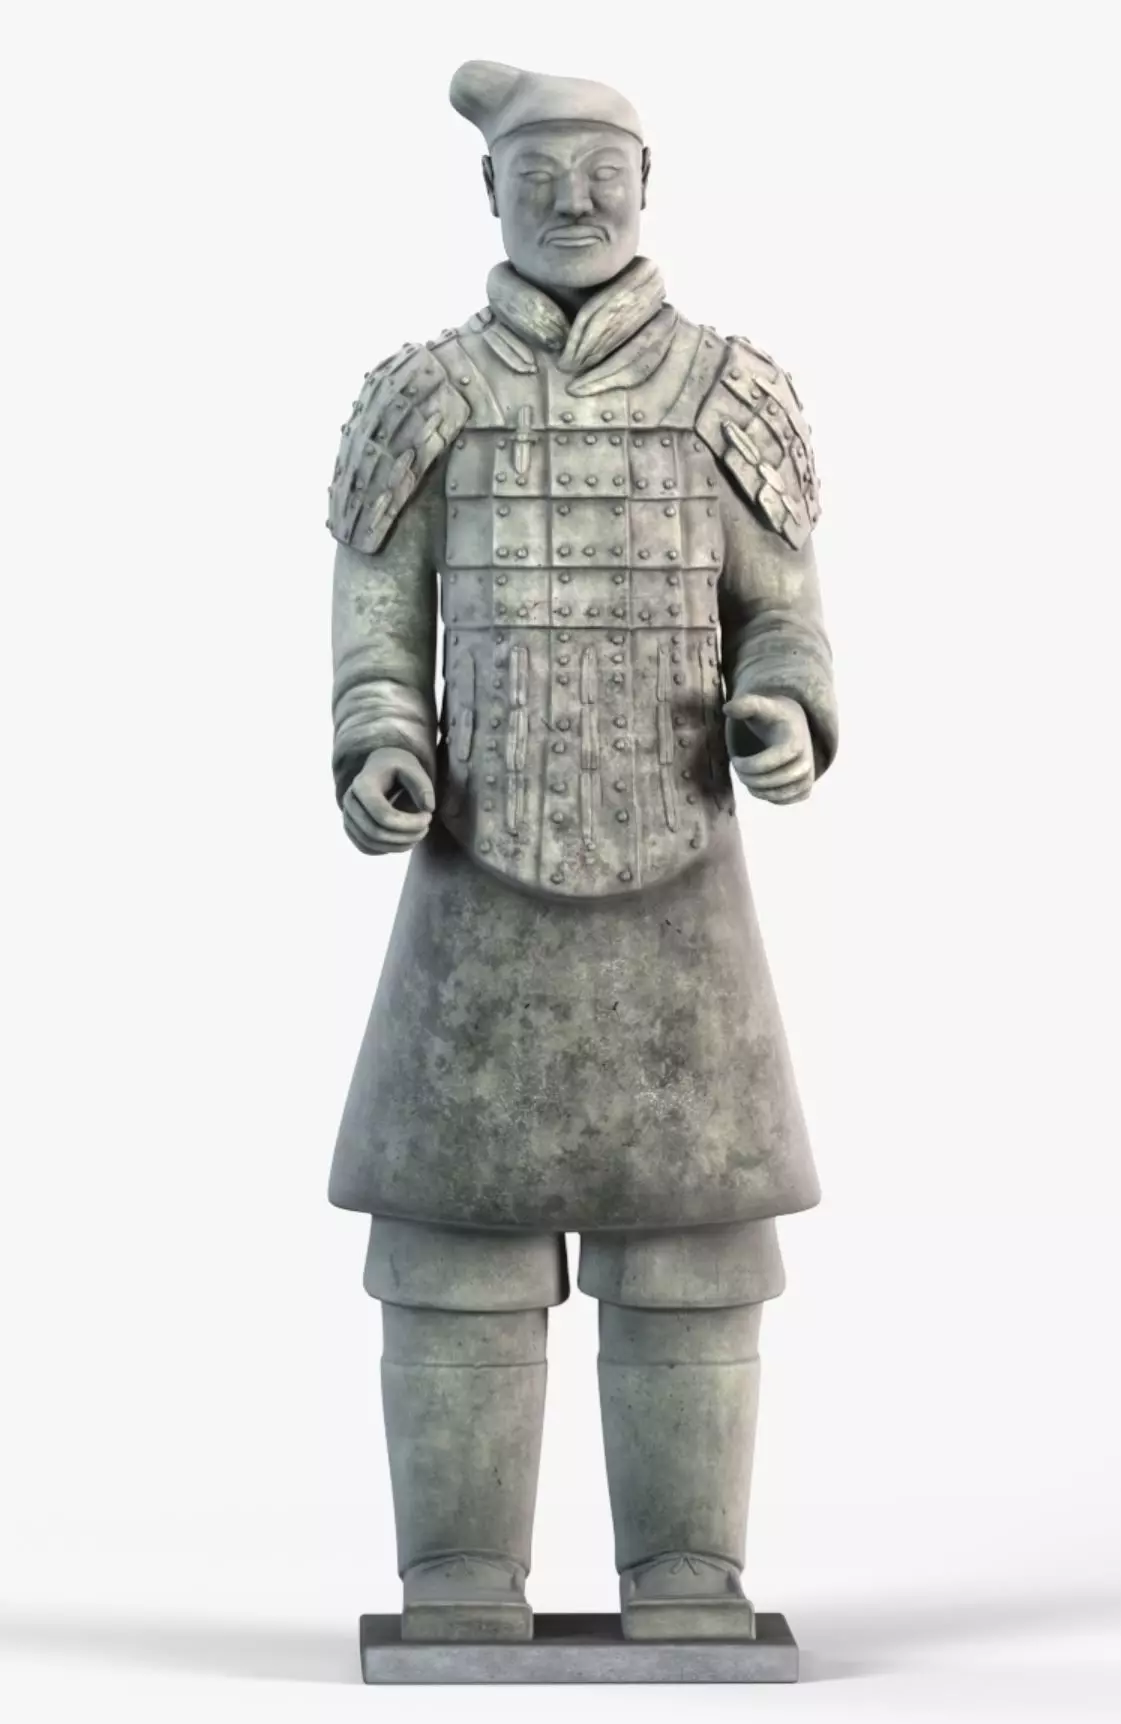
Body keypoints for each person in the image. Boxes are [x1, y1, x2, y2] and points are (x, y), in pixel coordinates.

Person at [325, 58, 838, 1643]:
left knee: (693, 1250)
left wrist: (783, 711)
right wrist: (380, 744)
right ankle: (459, 1576)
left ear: (647, 184)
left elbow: (786, 619)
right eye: (538, 172)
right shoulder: (428, 396)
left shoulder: (726, 391)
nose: (572, 199)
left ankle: (687, 1572)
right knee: (451, 1248)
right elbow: (377, 633)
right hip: (475, 883)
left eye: (602, 169)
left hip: (683, 885)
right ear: (489, 191)